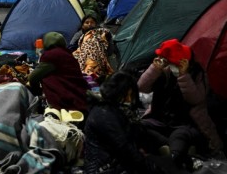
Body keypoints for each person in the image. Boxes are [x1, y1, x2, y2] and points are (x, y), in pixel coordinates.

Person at [138, 39, 224, 171]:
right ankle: (168, 148)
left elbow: (196, 99)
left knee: (179, 136)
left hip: (186, 123)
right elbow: (141, 87)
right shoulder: (163, 71)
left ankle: (174, 156)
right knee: (139, 126)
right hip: (161, 119)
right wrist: (154, 69)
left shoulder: (197, 73)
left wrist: (184, 76)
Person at [84, 71, 166, 174]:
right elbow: (125, 148)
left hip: (114, 164)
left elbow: (138, 134)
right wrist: (153, 168)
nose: (129, 99)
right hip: (104, 169)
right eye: (128, 95)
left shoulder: (112, 109)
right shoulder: (104, 114)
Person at [28, 31, 89, 113]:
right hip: (81, 95)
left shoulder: (50, 55)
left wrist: (37, 91)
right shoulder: (68, 54)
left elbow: (33, 78)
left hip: (64, 99)